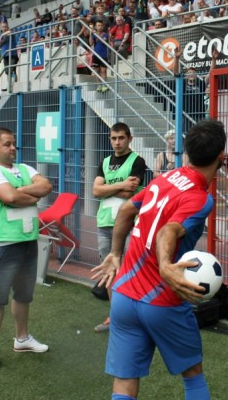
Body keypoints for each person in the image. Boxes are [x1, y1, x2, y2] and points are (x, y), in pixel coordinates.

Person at [92, 119, 226, 400]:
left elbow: (126, 210)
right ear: (221, 157)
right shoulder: (201, 198)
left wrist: (115, 254)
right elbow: (168, 231)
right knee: (193, 376)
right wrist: (165, 266)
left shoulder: (166, 177)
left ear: (187, 152)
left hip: (123, 296)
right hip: (162, 300)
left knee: (125, 381)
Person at [0, 127, 53, 369]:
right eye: (7, 144)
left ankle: (22, 339)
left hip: (28, 241)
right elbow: (9, 198)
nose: (13, 148)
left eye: (14, 144)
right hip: (3, 243)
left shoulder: (25, 169)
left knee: (23, 295)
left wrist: (19, 191)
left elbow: (46, 186)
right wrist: (28, 194)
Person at [92, 122, 146, 333]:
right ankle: (115, 317)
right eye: (113, 138)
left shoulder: (137, 161)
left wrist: (107, 187)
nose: (117, 142)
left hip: (129, 224)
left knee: (131, 271)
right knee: (110, 271)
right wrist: (120, 185)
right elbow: (96, 191)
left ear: (130, 139)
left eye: (121, 138)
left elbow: (129, 191)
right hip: (105, 222)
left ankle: (133, 317)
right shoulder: (105, 162)